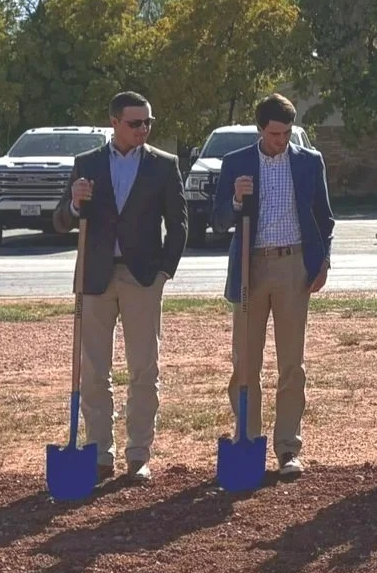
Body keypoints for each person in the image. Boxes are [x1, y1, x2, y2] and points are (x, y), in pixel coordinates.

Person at [57, 91, 185, 485]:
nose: (143, 129)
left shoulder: (164, 165)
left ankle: (138, 454)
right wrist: (76, 205)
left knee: (144, 368)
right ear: (114, 122)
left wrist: (164, 272)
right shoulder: (87, 164)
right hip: (95, 277)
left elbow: (179, 225)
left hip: (142, 278)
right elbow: (62, 220)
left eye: (148, 123)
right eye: (135, 123)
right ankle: (98, 453)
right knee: (94, 370)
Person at [215, 93, 336, 479]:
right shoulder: (236, 164)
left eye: (286, 133)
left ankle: (288, 448)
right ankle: (247, 440)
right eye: (274, 133)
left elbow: (325, 218)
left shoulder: (309, 162)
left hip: (294, 266)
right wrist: (236, 199)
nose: (281, 140)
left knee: (291, 364)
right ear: (259, 129)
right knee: (245, 363)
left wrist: (323, 261)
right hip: (251, 267)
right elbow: (218, 221)